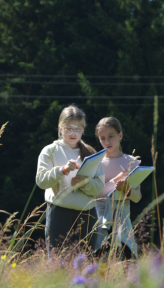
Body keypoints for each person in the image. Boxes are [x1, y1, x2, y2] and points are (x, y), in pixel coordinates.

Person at [36, 105, 105, 253]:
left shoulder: (91, 152)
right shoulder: (50, 150)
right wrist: (62, 170)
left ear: (83, 129)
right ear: (60, 128)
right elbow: (41, 181)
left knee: (85, 265)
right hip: (59, 214)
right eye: (69, 129)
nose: (73, 133)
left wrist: (84, 183)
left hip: (87, 214)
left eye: (78, 129)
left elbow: (99, 185)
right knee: (57, 264)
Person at [94, 117, 141, 259]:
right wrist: (115, 182)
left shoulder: (131, 162)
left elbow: (137, 197)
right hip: (100, 219)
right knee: (100, 262)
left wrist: (127, 190)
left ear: (120, 135)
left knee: (129, 261)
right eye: (102, 138)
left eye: (111, 136)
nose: (107, 142)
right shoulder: (96, 162)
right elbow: (94, 194)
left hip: (123, 218)